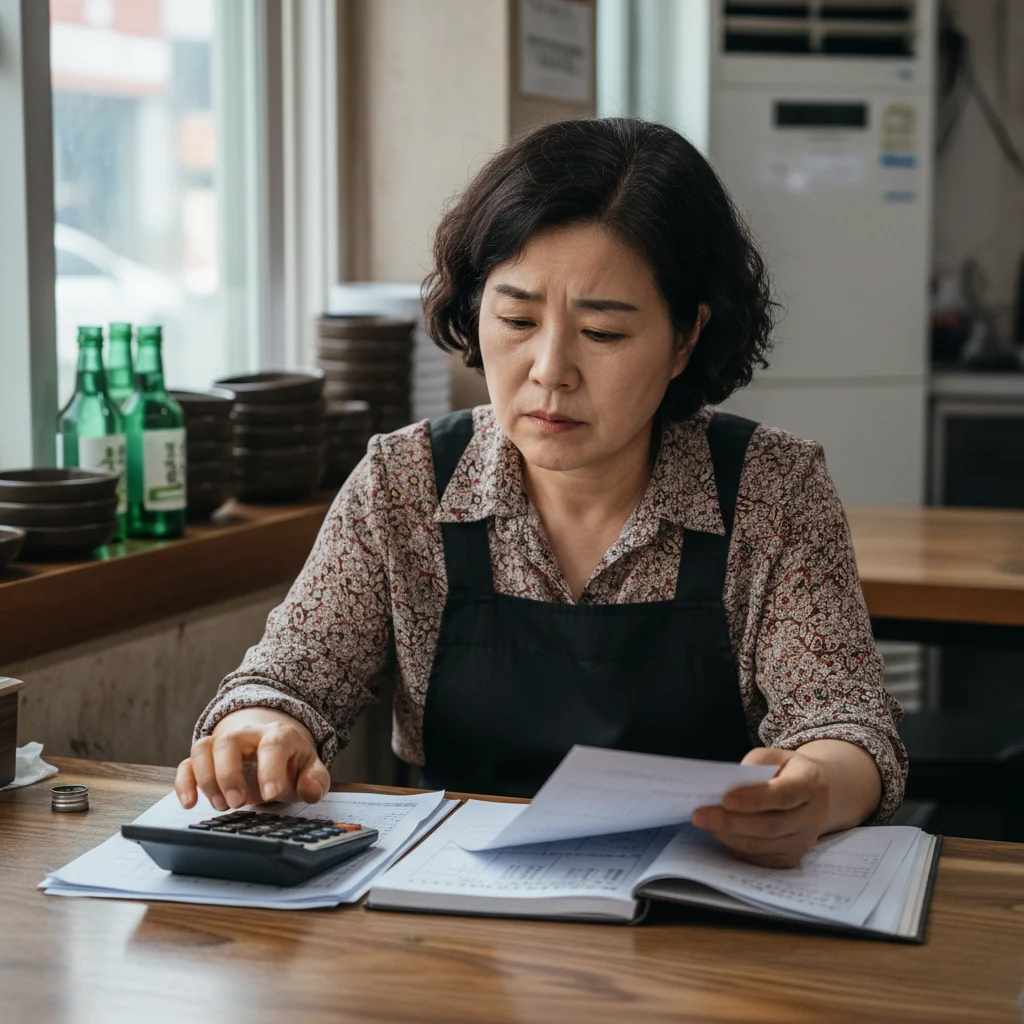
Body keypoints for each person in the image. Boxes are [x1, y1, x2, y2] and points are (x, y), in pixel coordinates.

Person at [175, 118, 906, 868]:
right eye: (518, 319)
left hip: (696, 912)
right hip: (455, 918)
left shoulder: (772, 488)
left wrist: (814, 790)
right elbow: (290, 678)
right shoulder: (405, 484)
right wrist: (262, 729)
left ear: (687, 336)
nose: (550, 369)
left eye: (604, 334)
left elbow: (848, 725)